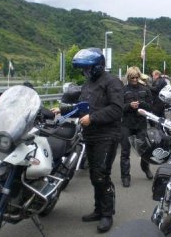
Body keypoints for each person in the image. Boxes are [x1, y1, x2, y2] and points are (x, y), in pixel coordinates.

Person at [70, 48, 123, 233]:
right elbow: (82, 107)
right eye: (82, 68)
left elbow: (117, 109)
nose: (84, 71)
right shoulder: (87, 84)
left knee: (102, 175)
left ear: (97, 66)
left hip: (107, 135)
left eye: (87, 68)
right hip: (90, 135)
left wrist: (92, 118)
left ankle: (107, 214)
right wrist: (61, 111)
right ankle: (98, 209)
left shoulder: (112, 82)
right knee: (94, 175)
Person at [120, 66, 153, 187]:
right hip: (126, 124)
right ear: (128, 78)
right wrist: (129, 105)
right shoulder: (123, 90)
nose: (134, 79)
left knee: (144, 150)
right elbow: (118, 108)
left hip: (141, 123)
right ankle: (125, 176)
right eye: (132, 77)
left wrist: (141, 105)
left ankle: (146, 169)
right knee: (125, 151)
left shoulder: (145, 89)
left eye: (136, 77)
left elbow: (150, 107)